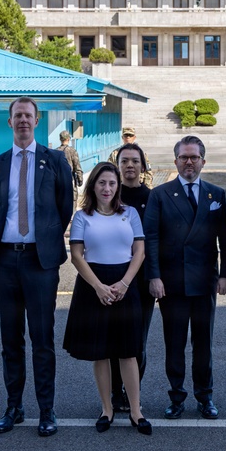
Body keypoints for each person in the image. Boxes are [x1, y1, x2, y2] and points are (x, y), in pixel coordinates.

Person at [0, 97, 73, 437]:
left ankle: (46, 410)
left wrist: (45, 237)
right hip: (6, 260)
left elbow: (64, 207)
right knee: (10, 340)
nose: (23, 120)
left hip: (40, 261)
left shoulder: (55, 160)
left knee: (42, 338)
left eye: (28, 115)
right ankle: (14, 407)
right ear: (9, 122)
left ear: (37, 121)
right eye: (17, 115)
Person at [143, 136, 226, 420]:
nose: (189, 162)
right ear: (176, 161)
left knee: (204, 344)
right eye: (184, 157)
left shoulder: (215, 194)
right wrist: (154, 276)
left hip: (205, 281)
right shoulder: (160, 194)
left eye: (194, 157)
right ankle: (177, 396)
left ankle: (205, 397)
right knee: (175, 343)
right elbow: (150, 239)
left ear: (203, 161)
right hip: (172, 283)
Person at [63, 162, 153, 435]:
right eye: (102, 183)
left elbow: (139, 252)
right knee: (100, 353)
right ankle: (107, 409)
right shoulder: (82, 216)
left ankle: (136, 411)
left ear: (118, 187)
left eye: (112, 183)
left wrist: (125, 283)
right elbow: (77, 256)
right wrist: (99, 287)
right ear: (93, 185)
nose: (107, 188)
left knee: (128, 351)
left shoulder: (130, 213)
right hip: (93, 285)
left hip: (125, 283)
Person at [108, 142, 154, 413]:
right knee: (113, 340)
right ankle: (114, 392)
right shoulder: (108, 196)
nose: (130, 166)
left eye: (135, 161)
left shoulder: (153, 198)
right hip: (111, 280)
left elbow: (154, 242)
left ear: (143, 166)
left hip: (141, 282)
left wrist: (156, 277)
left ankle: (130, 392)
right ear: (117, 166)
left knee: (137, 342)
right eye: (124, 161)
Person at [57, 130, 83, 212]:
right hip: (70, 180)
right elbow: (77, 167)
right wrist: (80, 180)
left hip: (58, 182)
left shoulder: (55, 151)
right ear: (68, 139)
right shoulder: (72, 151)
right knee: (72, 202)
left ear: (60, 139)